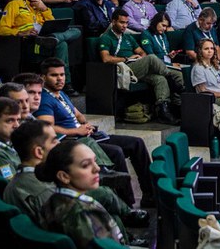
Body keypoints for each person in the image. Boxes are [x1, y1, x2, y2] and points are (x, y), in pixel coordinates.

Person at [33, 58, 154, 207]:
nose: (60, 79)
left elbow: (78, 115)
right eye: (54, 75)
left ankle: (150, 195)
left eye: (62, 75)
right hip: (74, 142)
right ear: (44, 77)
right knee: (116, 152)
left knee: (137, 143)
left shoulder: (61, 94)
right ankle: (127, 204)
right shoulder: (44, 99)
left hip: (87, 135)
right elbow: (47, 127)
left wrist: (85, 124)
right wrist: (76, 130)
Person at [5, 119, 149, 243]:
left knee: (110, 210)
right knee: (104, 196)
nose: (59, 144)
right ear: (38, 152)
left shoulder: (25, 179)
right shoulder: (51, 198)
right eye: (54, 140)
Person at [36, 141, 134, 247]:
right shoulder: (82, 213)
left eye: (95, 161)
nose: (97, 168)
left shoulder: (53, 200)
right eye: (85, 165)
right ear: (64, 176)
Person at [0, 0, 82, 96]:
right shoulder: (15, 5)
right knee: (62, 45)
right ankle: (66, 84)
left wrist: (45, 9)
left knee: (76, 31)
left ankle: (55, 37)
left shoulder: (41, 7)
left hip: (47, 36)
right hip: (31, 42)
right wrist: (20, 32)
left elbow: (53, 23)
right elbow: (1, 29)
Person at [98, 10, 182, 124]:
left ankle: (163, 111)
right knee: (152, 58)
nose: (124, 26)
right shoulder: (106, 37)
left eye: (126, 23)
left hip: (136, 67)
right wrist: (127, 59)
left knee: (160, 79)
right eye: (121, 22)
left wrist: (138, 57)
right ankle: (170, 77)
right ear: (113, 22)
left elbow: (142, 52)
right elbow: (106, 58)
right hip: (124, 68)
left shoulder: (127, 37)